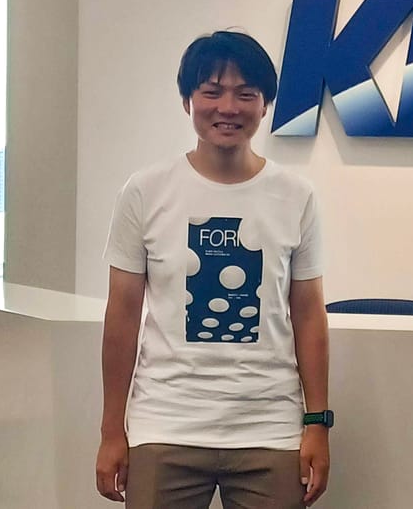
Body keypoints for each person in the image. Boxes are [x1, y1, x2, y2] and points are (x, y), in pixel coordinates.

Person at [95, 30, 331, 508]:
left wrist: (317, 424)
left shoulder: (296, 196)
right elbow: (122, 314)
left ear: (265, 105)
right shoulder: (145, 191)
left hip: (269, 428)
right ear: (188, 101)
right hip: (165, 425)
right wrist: (111, 431)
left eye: (246, 94)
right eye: (212, 91)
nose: (228, 107)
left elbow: (309, 315)